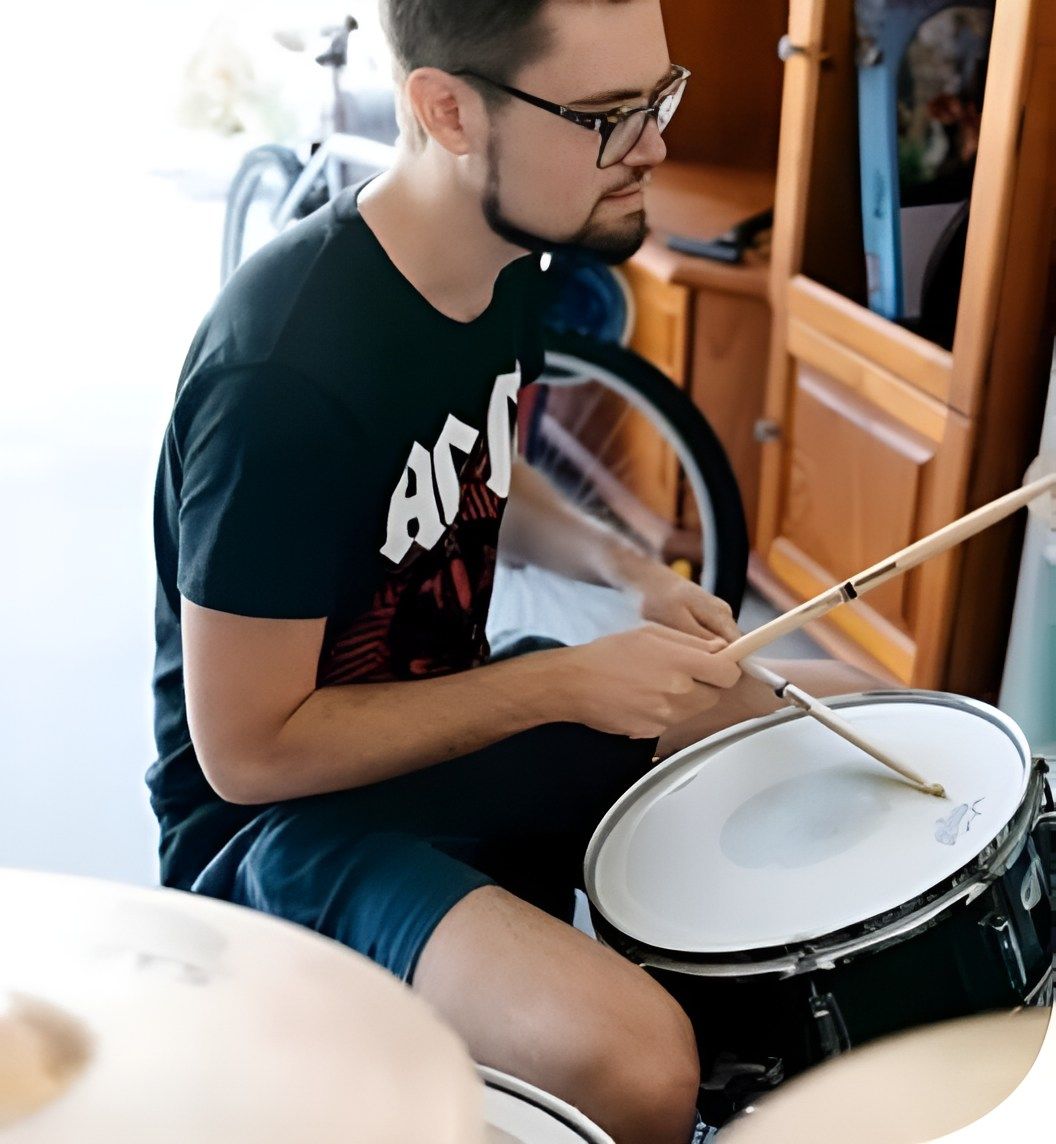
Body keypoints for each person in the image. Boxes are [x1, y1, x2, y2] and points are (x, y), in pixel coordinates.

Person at [148, 3, 874, 1140]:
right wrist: (562, 684)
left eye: (658, 97)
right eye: (605, 117)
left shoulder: (507, 260)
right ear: (448, 110)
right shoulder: (283, 377)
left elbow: (470, 463)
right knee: (635, 1063)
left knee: (835, 722)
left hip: (445, 730)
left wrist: (624, 563)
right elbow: (246, 752)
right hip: (281, 834)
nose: (654, 147)